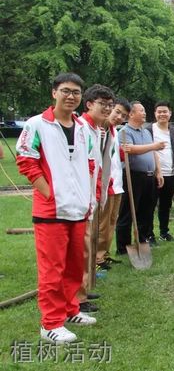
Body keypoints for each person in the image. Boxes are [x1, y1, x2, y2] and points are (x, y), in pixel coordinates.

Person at [16, 72, 97, 344]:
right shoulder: (37, 125)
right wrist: (48, 192)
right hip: (51, 211)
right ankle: (50, 323)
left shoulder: (84, 128)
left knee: (74, 266)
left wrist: (87, 196)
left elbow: (88, 163)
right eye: (65, 90)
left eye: (76, 92)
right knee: (52, 269)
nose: (71, 96)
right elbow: (26, 160)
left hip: (78, 208)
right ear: (54, 93)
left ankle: (70, 309)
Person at [76, 84, 115, 314]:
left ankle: (83, 289)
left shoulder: (100, 130)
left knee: (87, 247)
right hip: (79, 198)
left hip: (93, 195)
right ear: (89, 104)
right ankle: (78, 298)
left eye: (109, 105)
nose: (107, 109)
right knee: (81, 249)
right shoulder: (80, 128)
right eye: (103, 105)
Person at [115, 102, 165, 254]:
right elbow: (129, 149)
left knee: (146, 211)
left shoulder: (146, 132)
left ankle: (143, 240)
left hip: (149, 177)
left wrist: (158, 171)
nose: (144, 113)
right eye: (141, 110)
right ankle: (123, 247)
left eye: (144, 110)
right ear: (131, 114)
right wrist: (153, 146)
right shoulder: (124, 132)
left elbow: (153, 152)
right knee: (128, 212)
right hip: (133, 176)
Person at [96, 99, 131, 270]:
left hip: (117, 183)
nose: (119, 117)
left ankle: (105, 253)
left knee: (111, 222)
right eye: (117, 112)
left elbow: (114, 157)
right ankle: (97, 257)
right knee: (102, 223)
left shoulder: (114, 131)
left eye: (123, 116)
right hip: (105, 185)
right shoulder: (99, 130)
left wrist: (123, 153)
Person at [147, 101, 174, 242]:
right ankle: (149, 234)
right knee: (150, 206)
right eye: (159, 111)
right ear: (155, 114)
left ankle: (164, 232)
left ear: (170, 113)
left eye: (165, 111)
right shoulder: (149, 130)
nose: (162, 114)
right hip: (153, 174)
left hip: (171, 174)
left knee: (166, 205)